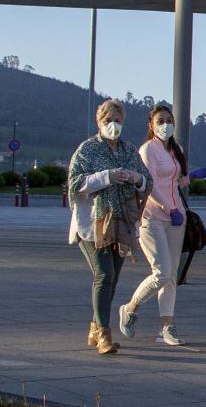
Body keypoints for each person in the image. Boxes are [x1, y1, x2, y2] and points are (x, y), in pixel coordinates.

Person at [118, 101, 206, 346]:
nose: (165, 125)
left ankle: (167, 328)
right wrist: (168, 208)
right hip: (153, 217)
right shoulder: (147, 150)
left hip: (176, 218)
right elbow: (148, 184)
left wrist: (191, 177)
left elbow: (174, 183)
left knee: (171, 276)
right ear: (151, 125)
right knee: (161, 272)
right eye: (160, 121)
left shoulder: (175, 149)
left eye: (169, 121)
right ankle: (129, 308)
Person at [68, 98, 151, 355]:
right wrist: (106, 177)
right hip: (93, 225)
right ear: (98, 122)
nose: (112, 125)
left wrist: (136, 179)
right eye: (107, 121)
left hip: (121, 223)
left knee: (112, 278)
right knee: (103, 274)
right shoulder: (87, 150)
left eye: (117, 120)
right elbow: (74, 183)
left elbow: (146, 180)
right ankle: (104, 334)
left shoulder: (128, 150)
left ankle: (95, 327)